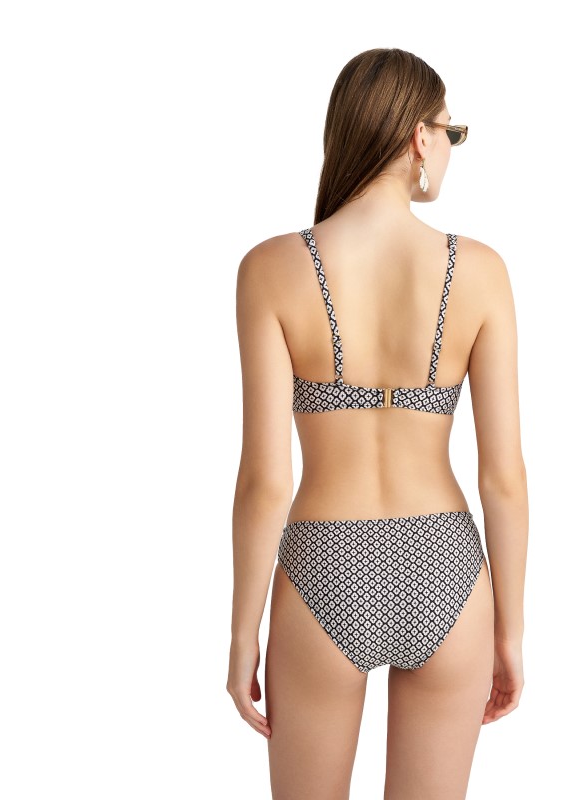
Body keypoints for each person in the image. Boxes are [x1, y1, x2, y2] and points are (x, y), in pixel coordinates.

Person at [227, 47, 528, 799]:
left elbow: (266, 482)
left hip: (323, 563)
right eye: (451, 133)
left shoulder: (270, 268)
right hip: (446, 565)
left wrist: (241, 633)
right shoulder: (480, 271)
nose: (450, 150)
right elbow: (504, 479)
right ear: (420, 138)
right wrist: (510, 632)